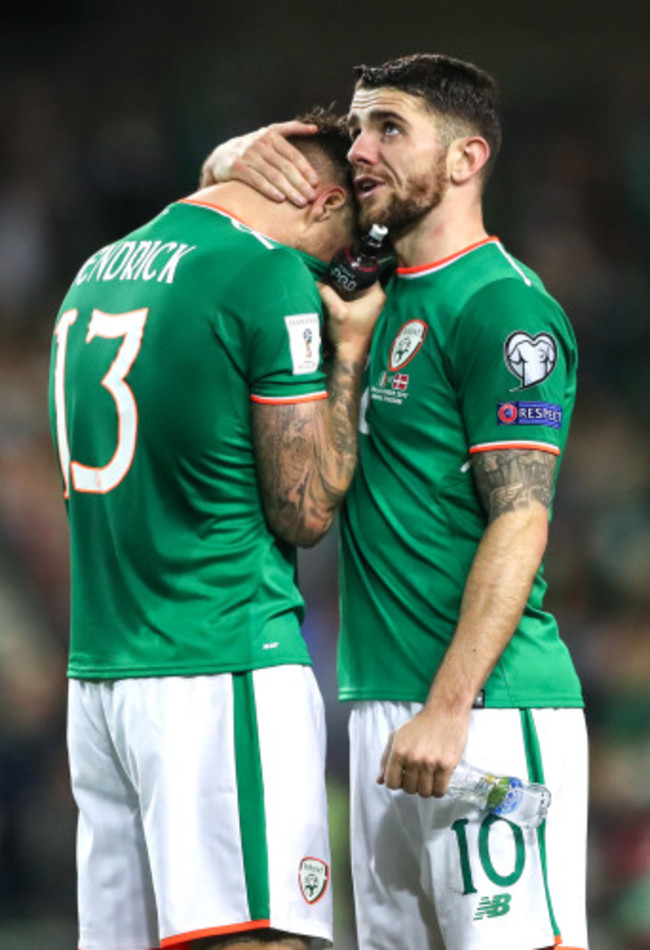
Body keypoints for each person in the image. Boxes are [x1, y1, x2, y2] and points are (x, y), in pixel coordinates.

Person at [200, 54, 589, 950]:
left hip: (487, 716)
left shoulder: (502, 309)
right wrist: (242, 151)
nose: (361, 149)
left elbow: (521, 517)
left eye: (389, 128)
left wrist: (450, 708)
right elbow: (219, 212)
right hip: (381, 714)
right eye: (358, 125)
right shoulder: (356, 288)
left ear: (465, 160)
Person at [47, 108, 385, 950]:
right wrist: (346, 358)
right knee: (260, 937)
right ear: (321, 199)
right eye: (349, 247)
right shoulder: (263, 274)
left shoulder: (101, 265)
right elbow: (303, 511)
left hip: (102, 679)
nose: (339, 272)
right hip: (221, 660)